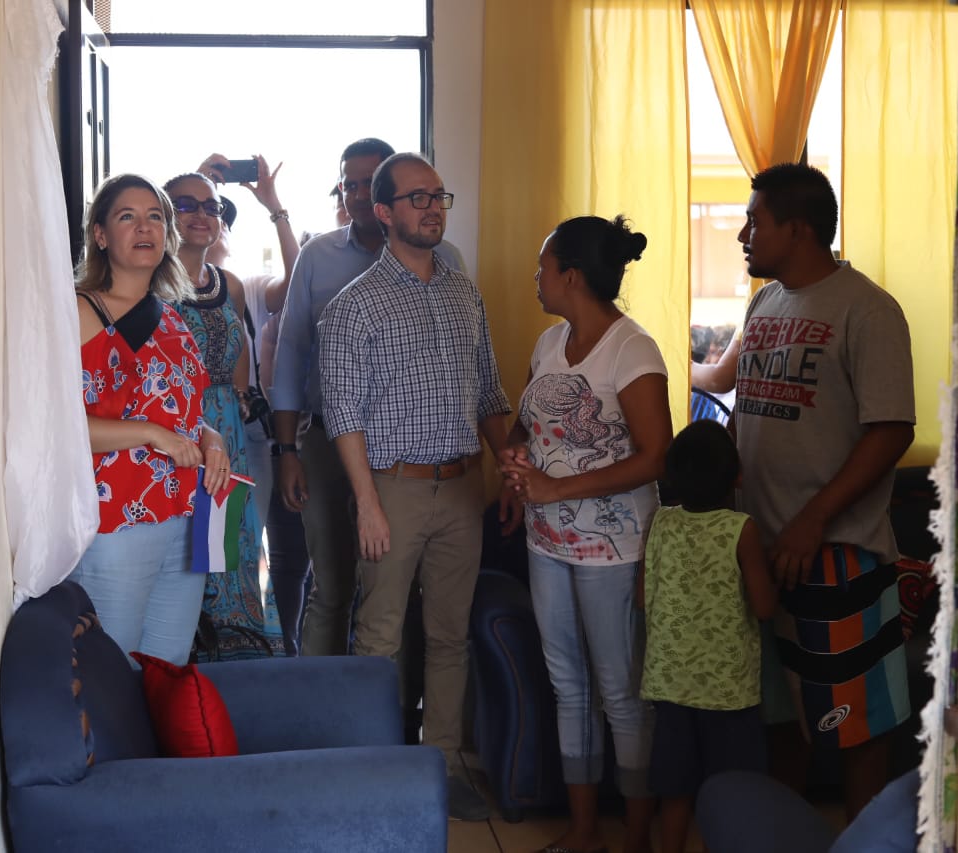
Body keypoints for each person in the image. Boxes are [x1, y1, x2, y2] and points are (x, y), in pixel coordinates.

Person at [317, 152, 510, 821]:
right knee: (380, 637)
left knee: (450, 636)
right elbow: (342, 415)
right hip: (391, 489)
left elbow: (489, 393)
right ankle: (373, 773)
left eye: (439, 196)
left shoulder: (464, 293)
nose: (433, 208)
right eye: (418, 197)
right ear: (384, 212)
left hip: (461, 488)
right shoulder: (354, 306)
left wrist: (512, 470)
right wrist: (367, 503)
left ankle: (444, 765)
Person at [733, 162, 915, 819]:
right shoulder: (764, 304)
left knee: (856, 719)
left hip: (836, 551)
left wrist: (814, 518)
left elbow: (891, 430)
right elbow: (750, 412)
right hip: (765, 550)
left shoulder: (867, 309)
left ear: (799, 229)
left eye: (755, 221)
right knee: (784, 714)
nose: (743, 235)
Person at [498, 215, 672, 853]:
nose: (536, 277)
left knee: (620, 694)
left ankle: (636, 838)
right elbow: (527, 425)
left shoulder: (633, 351)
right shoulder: (550, 343)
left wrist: (555, 490)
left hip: (613, 551)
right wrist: (515, 466)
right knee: (568, 686)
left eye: (543, 266)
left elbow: (657, 457)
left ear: (571, 276)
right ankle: (583, 832)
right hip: (546, 543)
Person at [269, 138, 467, 657]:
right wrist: (286, 451)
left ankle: (398, 704)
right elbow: (291, 357)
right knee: (332, 586)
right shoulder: (317, 256)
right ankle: (327, 703)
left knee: (399, 598)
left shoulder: (445, 259)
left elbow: (462, 362)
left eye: (366, 183)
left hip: (408, 456)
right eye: (347, 184)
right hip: (329, 443)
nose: (356, 194)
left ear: (385, 193)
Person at [70, 173, 231, 665]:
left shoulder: (171, 316)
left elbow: (185, 412)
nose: (145, 228)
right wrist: (152, 434)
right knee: (111, 674)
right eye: (128, 217)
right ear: (100, 235)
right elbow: (59, 429)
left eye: (155, 217)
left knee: (167, 670)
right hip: (115, 521)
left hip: (184, 515)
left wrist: (213, 440)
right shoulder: (79, 311)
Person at [163, 168, 283, 659]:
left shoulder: (227, 284)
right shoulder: (149, 284)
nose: (201, 215)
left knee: (227, 553)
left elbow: (237, 359)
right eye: (185, 205)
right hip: (177, 435)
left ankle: (234, 672)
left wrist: (235, 405)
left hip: (227, 436)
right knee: (184, 561)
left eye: (210, 206)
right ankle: (184, 673)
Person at [641, 419, 776, 853]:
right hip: (728, 692)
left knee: (675, 789)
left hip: (671, 686)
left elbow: (643, 597)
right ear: (737, 476)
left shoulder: (660, 523)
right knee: (733, 791)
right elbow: (764, 607)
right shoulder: (741, 530)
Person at [196, 153, 299, 535]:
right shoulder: (163, 286)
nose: (216, 221)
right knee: (196, 542)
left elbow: (296, 279)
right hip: (187, 425)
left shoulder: (246, 288)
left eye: (221, 215)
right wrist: (197, 182)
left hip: (243, 426)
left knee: (240, 538)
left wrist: (275, 207)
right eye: (202, 210)